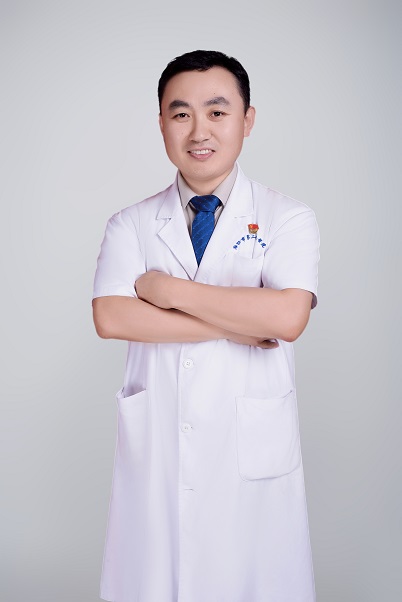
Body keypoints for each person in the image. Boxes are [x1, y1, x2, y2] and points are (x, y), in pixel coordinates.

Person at [92, 49, 320, 602]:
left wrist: (169, 292)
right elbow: (111, 316)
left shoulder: (288, 218)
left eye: (217, 112)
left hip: (250, 452)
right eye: (181, 113)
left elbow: (287, 317)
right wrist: (237, 322)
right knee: (154, 574)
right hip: (160, 450)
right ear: (162, 124)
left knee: (254, 575)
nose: (199, 131)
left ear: (247, 119)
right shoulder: (131, 223)